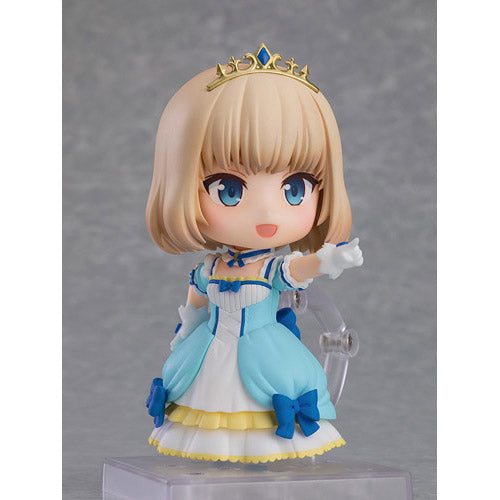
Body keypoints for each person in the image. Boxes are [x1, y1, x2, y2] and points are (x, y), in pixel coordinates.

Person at [145, 44, 363, 463]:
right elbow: (196, 302)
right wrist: (185, 332)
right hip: (209, 352)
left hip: (265, 354)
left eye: (294, 189)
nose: (267, 214)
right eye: (229, 189)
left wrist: (330, 260)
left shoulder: (270, 268)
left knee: (267, 399)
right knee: (202, 402)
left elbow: (299, 268)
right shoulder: (210, 268)